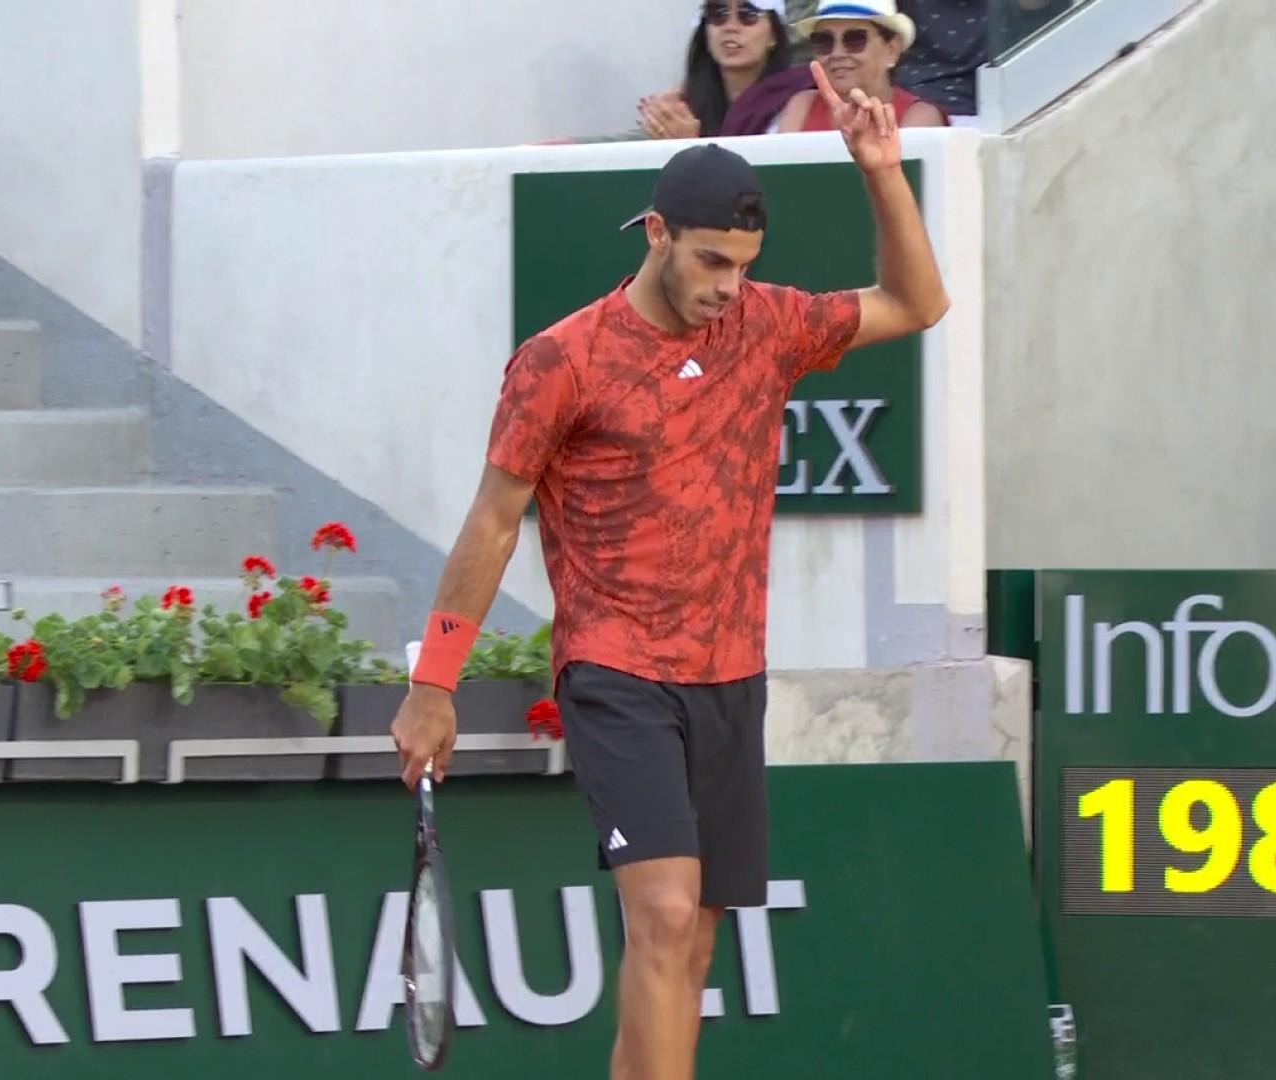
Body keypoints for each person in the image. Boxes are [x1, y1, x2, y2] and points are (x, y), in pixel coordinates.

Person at [390, 61, 948, 1080]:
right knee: (661, 912)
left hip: (730, 675)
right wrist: (434, 683)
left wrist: (880, 169)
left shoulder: (765, 326)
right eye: (707, 261)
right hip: (617, 673)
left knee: (693, 941)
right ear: (654, 233)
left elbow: (918, 302)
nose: (724, 286)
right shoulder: (562, 361)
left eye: (740, 263)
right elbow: (494, 518)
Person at [775, 0, 949, 133]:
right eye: (824, 41)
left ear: (891, 50)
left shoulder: (918, 116)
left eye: (855, 39)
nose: (837, 53)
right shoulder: (802, 105)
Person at [636, 2, 794, 140]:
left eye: (748, 14)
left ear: (773, 35)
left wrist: (689, 146)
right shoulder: (684, 108)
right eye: (717, 13)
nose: (730, 27)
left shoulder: (796, 103)